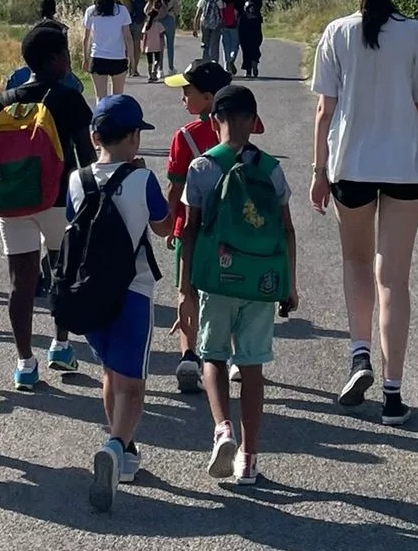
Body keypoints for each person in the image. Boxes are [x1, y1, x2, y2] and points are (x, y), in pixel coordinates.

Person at [309, 0, 418, 426]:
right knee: (394, 278)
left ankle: (360, 354)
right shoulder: (414, 33)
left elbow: (325, 110)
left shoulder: (336, 33)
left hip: (352, 167)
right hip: (405, 167)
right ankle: (393, 393)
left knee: (357, 264)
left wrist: (319, 171)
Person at [176, 84, 298, 486]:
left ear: (215, 121)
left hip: (216, 278)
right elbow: (286, 229)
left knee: (211, 355)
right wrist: (288, 285)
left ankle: (222, 428)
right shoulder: (270, 169)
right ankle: (249, 458)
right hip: (261, 282)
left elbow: (189, 232)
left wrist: (185, 289)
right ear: (254, 121)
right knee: (251, 367)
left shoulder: (202, 168)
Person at [68, 95, 173, 511]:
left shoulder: (77, 179)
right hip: (134, 289)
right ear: (133, 138)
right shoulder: (140, 180)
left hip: (89, 291)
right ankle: (115, 447)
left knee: (111, 373)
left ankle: (125, 453)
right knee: (134, 383)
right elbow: (163, 227)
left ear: (94, 137)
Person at [0, 26, 98, 390]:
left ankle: (25, 362)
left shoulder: (5, 99)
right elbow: (86, 155)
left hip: (14, 201)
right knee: (63, 273)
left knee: (20, 283)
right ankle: (61, 344)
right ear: (56, 59)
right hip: (58, 197)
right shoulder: (68, 99)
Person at [161, 59, 235, 392]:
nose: (182, 98)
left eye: (187, 91)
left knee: (186, 290)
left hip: (188, 228)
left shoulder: (185, 138)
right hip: (229, 229)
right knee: (227, 290)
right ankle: (232, 358)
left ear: (207, 98)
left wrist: (166, 221)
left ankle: (188, 355)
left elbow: (176, 189)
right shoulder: (240, 130)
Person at [83, 0, 133, 107]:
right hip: (118, 57)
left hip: (98, 57)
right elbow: (128, 37)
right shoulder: (121, 11)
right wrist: (131, 57)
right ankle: (116, 125)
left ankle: (100, 124)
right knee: (117, 98)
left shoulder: (91, 11)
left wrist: (86, 58)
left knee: (100, 98)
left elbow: (86, 38)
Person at [116, 0, 146, 78]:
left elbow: (116, 4)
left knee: (125, 44)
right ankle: (135, 69)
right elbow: (145, 2)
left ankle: (126, 67)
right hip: (137, 19)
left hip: (124, 20)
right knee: (136, 44)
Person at [148, 0, 179, 73]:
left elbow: (147, 8)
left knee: (160, 46)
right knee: (170, 45)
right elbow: (177, 8)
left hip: (159, 20)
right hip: (170, 18)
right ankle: (171, 67)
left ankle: (160, 69)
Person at [194, 0, 223, 66]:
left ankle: (205, 63)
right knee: (214, 45)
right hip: (215, 25)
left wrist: (195, 28)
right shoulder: (218, 0)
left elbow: (198, 14)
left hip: (204, 24)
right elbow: (221, 14)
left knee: (205, 44)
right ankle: (214, 65)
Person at [239, 0, 266, 78]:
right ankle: (255, 60)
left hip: (244, 25)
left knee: (246, 48)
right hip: (255, 24)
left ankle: (248, 70)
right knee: (255, 44)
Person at [218, 0, 244, 73]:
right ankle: (232, 58)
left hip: (224, 24)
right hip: (234, 25)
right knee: (235, 45)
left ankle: (226, 66)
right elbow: (239, 11)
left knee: (226, 46)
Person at [142, 6, 166, 83]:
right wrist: (163, 45)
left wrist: (143, 46)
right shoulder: (159, 25)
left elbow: (144, 37)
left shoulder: (147, 25)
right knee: (157, 60)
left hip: (148, 47)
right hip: (157, 46)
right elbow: (162, 37)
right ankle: (154, 72)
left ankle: (149, 75)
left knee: (149, 62)